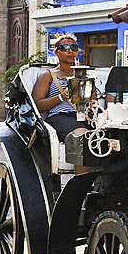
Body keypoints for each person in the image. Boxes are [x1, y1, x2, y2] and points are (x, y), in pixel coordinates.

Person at [31, 33, 90, 174]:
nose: (70, 51)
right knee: (82, 136)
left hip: (85, 116)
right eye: (65, 47)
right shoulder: (48, 75)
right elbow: (37, 104)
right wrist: (61, 97)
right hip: (61, 116)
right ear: (56, 52)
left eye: (73, 47)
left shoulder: (84, 75)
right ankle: (82, 185)